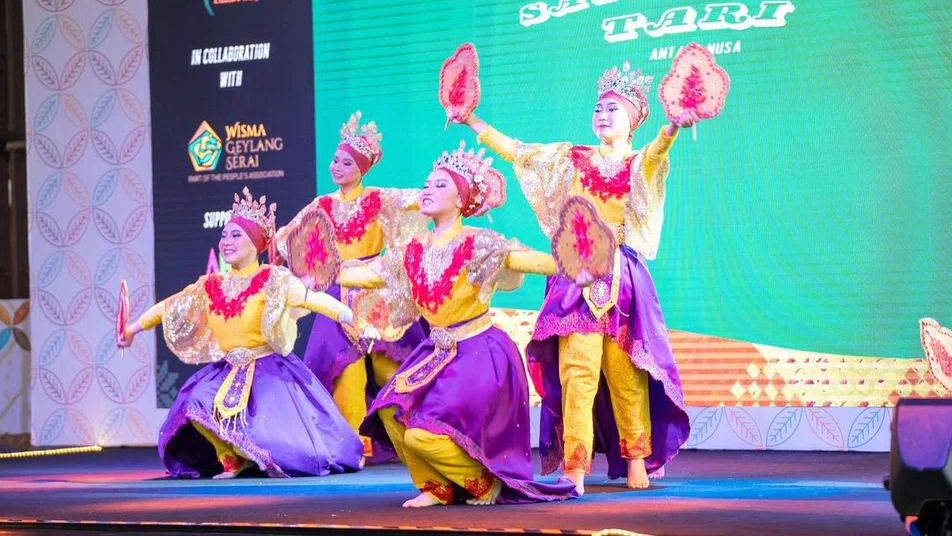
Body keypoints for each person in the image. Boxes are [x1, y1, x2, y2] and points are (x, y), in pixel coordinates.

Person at [461, 60, 691, 493]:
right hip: (576, 275)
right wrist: (473, 120)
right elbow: (519, 152)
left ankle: (637, 460)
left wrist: (672, 128)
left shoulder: (641, 161)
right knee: (577, 371)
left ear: (633, 121)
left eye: (613, 109)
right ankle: (576, 467)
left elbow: (659, 155)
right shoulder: (572, 158)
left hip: (622, 279)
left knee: (626, 373)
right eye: (598, 108)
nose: (602, 115)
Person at [339, 142, 577, 507]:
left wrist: (569, 262)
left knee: (423, 435)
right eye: (427, 184)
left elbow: (521, 259)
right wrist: (325, 272)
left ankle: (483, 483)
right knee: (390, 410)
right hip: (435, 351)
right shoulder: (413, 247)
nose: (427, 190)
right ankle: (438, 486)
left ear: (461, 198)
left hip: (480, 352)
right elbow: (373, 275)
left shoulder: (478, 242)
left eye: (439, 185)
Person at [122, 187, 363, 479]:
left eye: (236, 235)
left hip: (269, 370)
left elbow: (311, 299)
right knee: (194, 401)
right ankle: (231, 459)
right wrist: (134, 328)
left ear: (256, 242)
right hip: (227, 369)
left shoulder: (273, 279)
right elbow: (170, 306)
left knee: (287, 447)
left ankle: (256, 455)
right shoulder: (211, 284)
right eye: (224, 235)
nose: (226, 241)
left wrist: (349, 314)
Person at [274, 112, 427, 460]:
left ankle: (412, 442)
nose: (337, 167)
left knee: (394, 370)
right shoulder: (322, 204)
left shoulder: (379, 198)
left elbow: (419, 200)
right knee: (345, 373)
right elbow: (291, 235)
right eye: (335, 160)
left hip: (376, 291)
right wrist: (296, 254)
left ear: (362, 167)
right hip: (336, 291)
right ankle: (352, 447)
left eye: (346, 162)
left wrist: (459, 191)